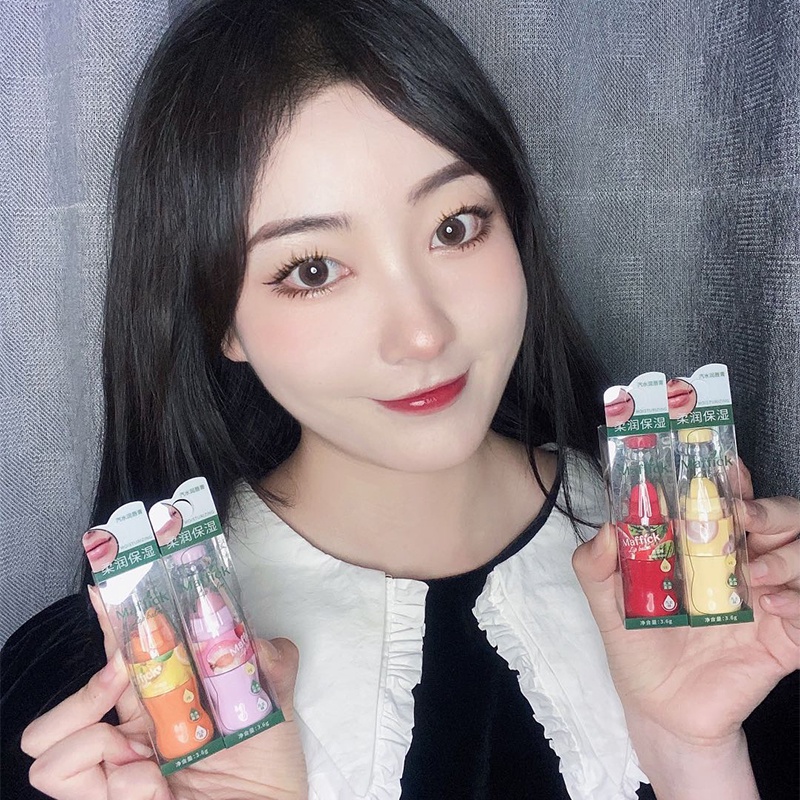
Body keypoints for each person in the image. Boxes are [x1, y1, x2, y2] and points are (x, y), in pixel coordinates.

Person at [1, 1, 798, 798]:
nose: (421, 333)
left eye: (454, 227)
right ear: (221, 322)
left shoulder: (730, 608)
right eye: (313, 270)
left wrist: (695, 756)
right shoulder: (108, 722)